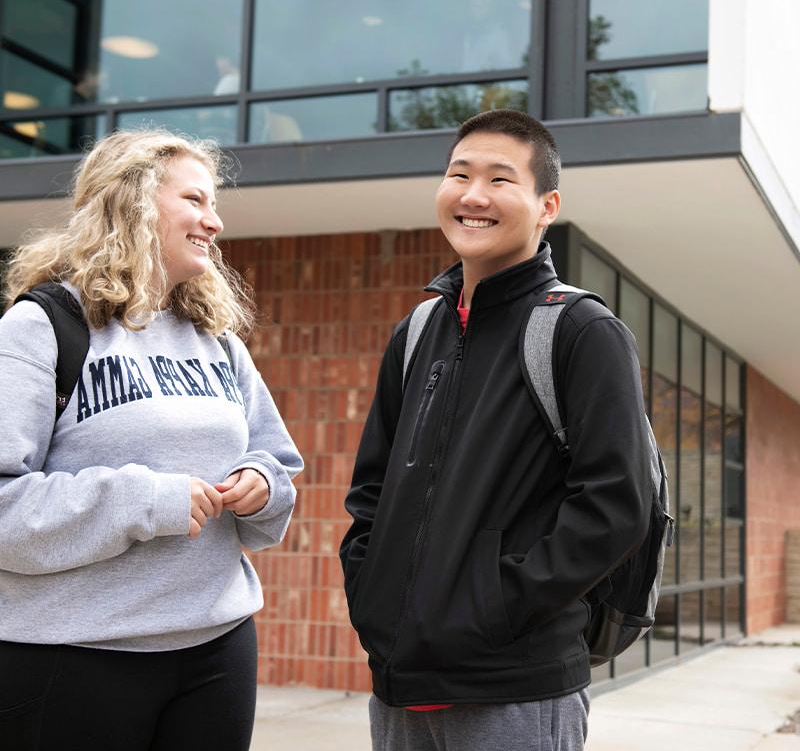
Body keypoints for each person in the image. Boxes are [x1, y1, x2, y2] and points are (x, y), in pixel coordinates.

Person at [339, 109, 652, 750]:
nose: (473, 196)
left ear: (546, 206)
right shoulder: (417, 332)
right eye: (459, 174)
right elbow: (371, 492)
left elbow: (618, 506)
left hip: (514, 686)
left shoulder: (581, 332)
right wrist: (370, 594)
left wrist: (495, 604)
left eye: (501, 180)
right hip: (399, 682)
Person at [0, 130, 303, 750]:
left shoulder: (215, 339)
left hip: (217, 647)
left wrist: (262, 484)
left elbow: (276, 458)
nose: (213, 222)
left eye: (213, 204)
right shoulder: (42, 327)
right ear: (133, 200)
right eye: (195, 200)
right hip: (74, 656)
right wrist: (146, 501)